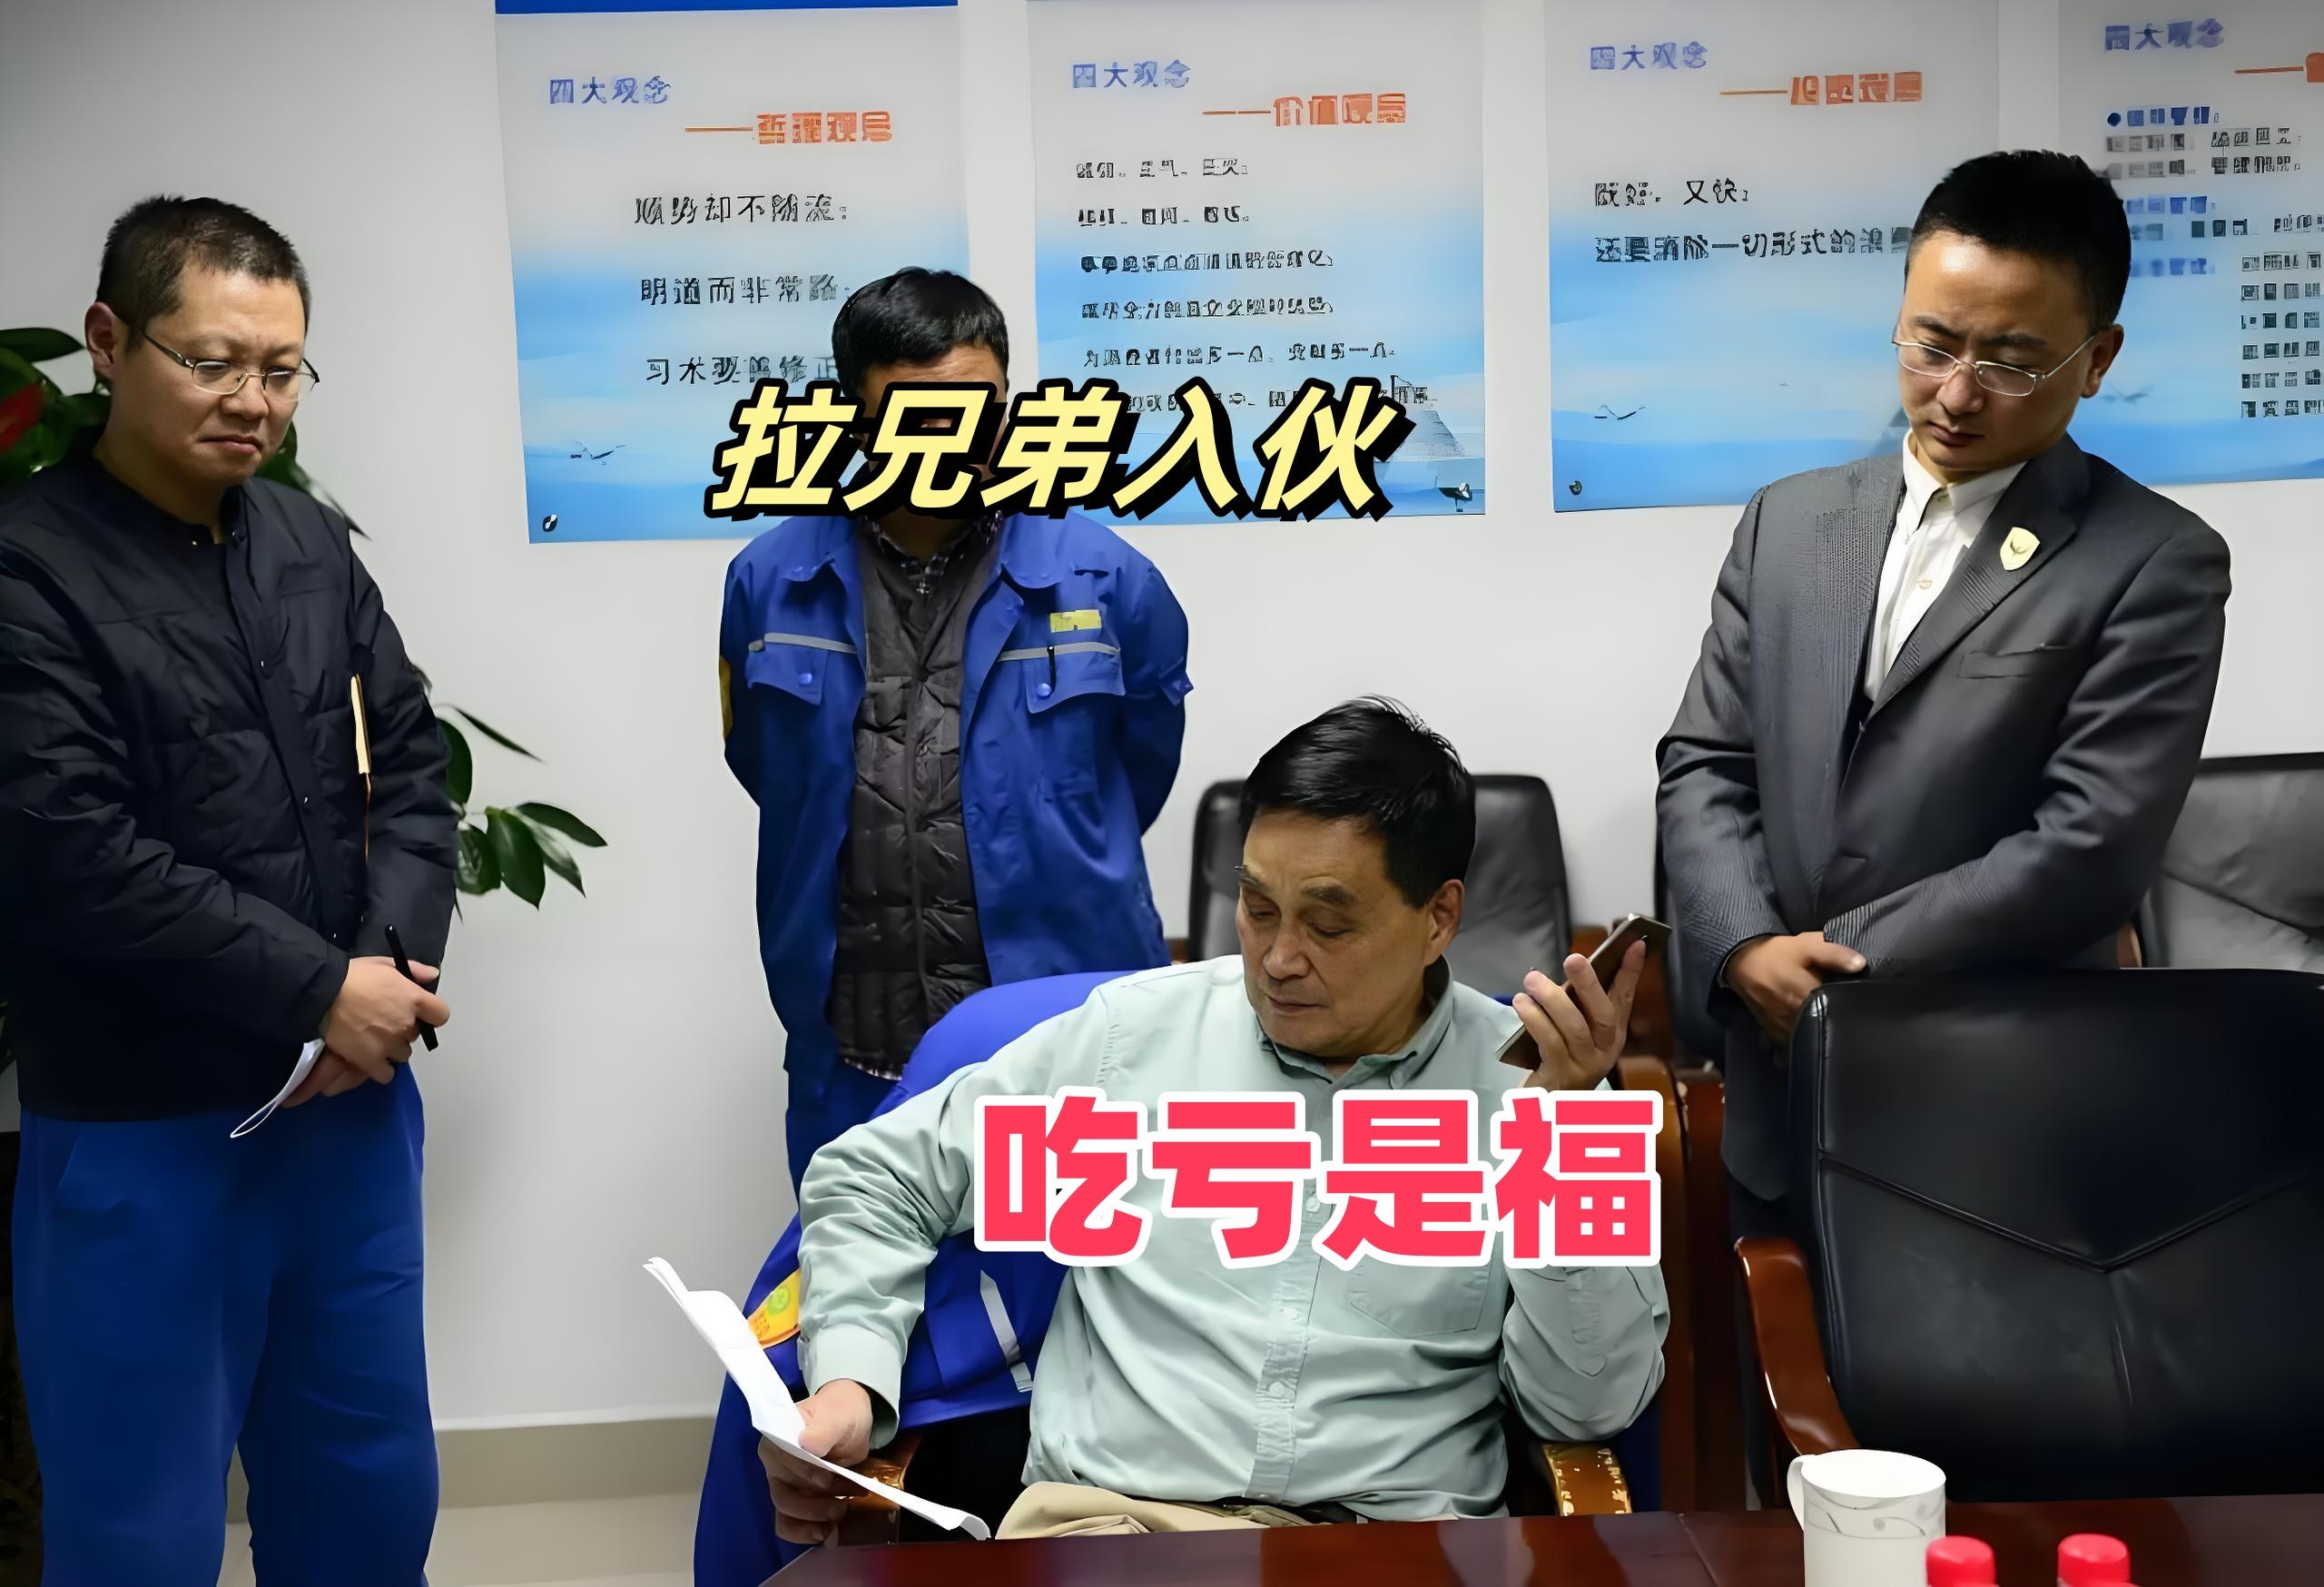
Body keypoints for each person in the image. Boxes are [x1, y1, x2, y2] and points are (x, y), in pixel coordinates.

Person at [763, 699, 1668, 1541]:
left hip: (1383, 1549)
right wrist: (850, 1378)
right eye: (1258, 908)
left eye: (1328, 925)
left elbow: (1586, 1406)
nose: (1278, 958)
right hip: (1113, 1531)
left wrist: (1560, 1132)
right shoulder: (1129, 1040)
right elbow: (876, 1177)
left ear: (1438, 917)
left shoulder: (1534, 1091)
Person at [0, 196, 454, 1584]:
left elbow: (413, 771)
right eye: (211, 361)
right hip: (144, 1133)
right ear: (107, 343)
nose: (251, 401)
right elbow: (70, 850)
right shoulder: (26, 569)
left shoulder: (309, 546)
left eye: (280, 369)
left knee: (370, 1503)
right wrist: (320, 989)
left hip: (348, 1122)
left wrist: (381, 978)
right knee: (136, 1534)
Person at [1659, 150, 2230, 1237]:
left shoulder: (2155, 560)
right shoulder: (1787, 522)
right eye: (1930, 345)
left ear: (2097, 359)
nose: (1956, 393)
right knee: (1765, 1343)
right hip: (1778, 1102)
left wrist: (1832, 965)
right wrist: (1744, 950)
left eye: (2012, 362)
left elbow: (2090, 843)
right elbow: (1705, 764)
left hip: (1994, 1110)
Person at [719, 268, 1192, 1190]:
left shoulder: (1106, 580)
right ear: (855, 420)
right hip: (852, 1056)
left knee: (1078, 1285)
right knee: (857, 1280)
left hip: (1067, 1056)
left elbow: (1138, 773)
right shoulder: (768, 584)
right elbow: (769, 771)